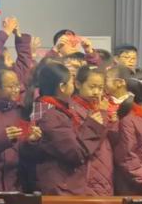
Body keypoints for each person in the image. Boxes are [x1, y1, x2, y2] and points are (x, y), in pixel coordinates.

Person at [27, 61, 108, 195]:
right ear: (62, 87)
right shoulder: (51, 115)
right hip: (62, 184)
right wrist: (93, 125)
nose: (73, 85)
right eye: (71, 82)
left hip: (65, 182)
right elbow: (74, 153)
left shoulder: (58, 110)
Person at [0, 65, 41, 192]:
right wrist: (5, 138)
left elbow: (24, 151)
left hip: (16, 183)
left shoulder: (22, 112)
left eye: (17, 85)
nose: (16, 90)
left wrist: (31, 141)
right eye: (11, 86)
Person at [68, 66, 116, 196]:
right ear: (78, 84)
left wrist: (113, 121)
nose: (96, 92)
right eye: (92, 87)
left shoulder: (99, 106)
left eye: (100, 88)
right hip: (88, 168)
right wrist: (103, 114)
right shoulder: (71, 109)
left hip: (103, 164)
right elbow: (83, 140)